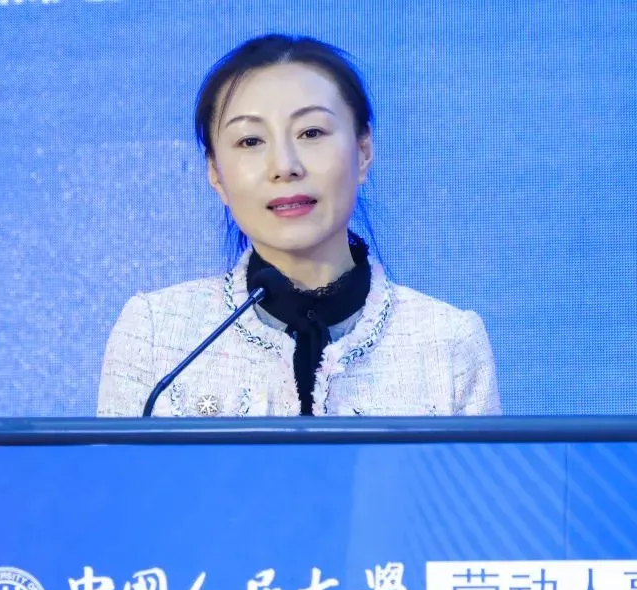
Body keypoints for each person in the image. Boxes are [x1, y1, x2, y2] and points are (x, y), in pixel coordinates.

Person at [96, 34, 500, 417]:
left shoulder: (446, 342)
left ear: (363, 151)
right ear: (216, 173)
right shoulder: (156, 333)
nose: (284, 166)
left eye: (311, 132)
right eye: (251, 141)